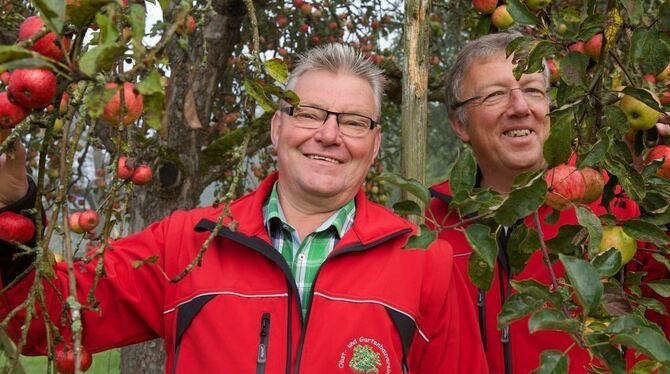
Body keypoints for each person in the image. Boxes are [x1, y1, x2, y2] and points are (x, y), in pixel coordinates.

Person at [0, 44, 487, 373]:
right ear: (277, 128)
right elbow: (39, 319)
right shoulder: (185, 243)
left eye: (354, 122)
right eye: (311, 113)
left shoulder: (424, 260)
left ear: (375, 144)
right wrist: (15, 205)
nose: (329, 135)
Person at [428, 32, 669, 373]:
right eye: (496, 94)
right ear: (459, 123)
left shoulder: (612, 209)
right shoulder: (431, 226)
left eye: (532, 90)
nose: (520, 107)